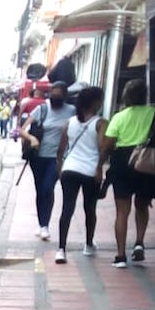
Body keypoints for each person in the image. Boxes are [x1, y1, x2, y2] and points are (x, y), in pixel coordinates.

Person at [102, 78, 155, 268]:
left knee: (122, 211)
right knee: (142, 205)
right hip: (147, 164)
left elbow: (107, 145)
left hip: (123, 163)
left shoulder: (119, 116)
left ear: (126, 96)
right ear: (145, 95)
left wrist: (99, 165)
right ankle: (139, 242)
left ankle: (120, 256)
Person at [54, 86, 106, 263]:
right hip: (90, 171)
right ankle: (88, 244)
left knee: (67, 209)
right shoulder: (100, 123)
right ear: (95, 102)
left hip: (70, 169)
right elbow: (103, 148)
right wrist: (99, 168)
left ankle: (61, 249)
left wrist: (61, 170)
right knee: (89, 209)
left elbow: (60, 151)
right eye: (100, 99)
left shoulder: (69, 122)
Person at [21, 81, 76, 240]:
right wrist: (32, 139)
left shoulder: (71, 111)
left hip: (57, 158)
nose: (55, 97)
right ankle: (42, 224)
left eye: (58, 94)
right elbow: (22, 130)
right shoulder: (42, 109)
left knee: (47, 188)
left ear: (65, 96)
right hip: (38, 157)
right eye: (53, 93)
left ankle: (45, 224)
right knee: (40, 190)